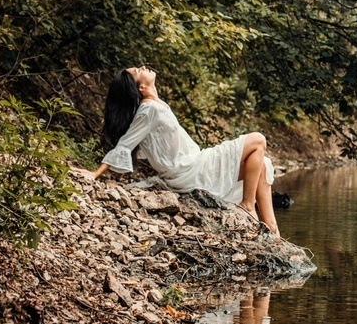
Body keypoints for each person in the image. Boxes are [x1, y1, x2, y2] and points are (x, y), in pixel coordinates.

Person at [71, 66, 280, 236]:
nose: (142, 66)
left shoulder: (155, 105)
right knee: (257, 140)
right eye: (137, 71)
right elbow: (125, 143)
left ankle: (272, 228)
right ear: (141, 87)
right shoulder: (148, 110)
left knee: (263, 163)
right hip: (191, 170)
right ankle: (247, 205)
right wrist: (96, 173)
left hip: (195, 165)